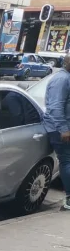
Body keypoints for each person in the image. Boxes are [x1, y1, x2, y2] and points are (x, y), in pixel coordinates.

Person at [42, 60, 70, 211]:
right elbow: (55, 107)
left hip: (65, 128)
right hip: (60, 130)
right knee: (66, 161)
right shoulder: (61, 79)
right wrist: (63, 129)